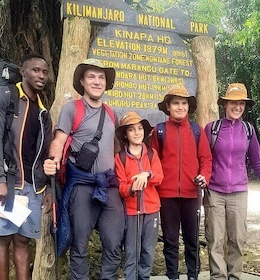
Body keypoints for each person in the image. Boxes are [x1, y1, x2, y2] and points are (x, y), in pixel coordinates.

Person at [43, 58, 125, 280]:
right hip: (82, 185)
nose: (97, 81)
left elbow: (116, 151)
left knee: (114, 241)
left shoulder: (111, 113)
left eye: (101, 77)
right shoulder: (72, 109)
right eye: (91, 76)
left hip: (108, 186)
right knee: (79, 243)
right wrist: (53, 159)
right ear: (82, 81)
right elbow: (59, 140)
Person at [0, 53, 52, 280]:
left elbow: (44, 155)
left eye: (44, 72)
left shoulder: (42, 113)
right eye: (35, 70)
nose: (41, 76)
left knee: (23, 240)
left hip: (31, 185)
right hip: (6, 181)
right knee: (3, 237)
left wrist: (47, 188)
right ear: (23, 71)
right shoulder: (5, 95)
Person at [203, 83, 260, 280]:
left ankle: (234, 276)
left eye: (241, 103)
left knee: (238, 238)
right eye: (233, 102)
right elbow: (204, 159)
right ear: (225, 104)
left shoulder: (248, 130)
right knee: (215, 239)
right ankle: (218, 277)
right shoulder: (212, 129)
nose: (237, 107)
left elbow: (257, 160)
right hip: (214, 191)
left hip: (239, 192)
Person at [150, 84, 212, 280]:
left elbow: (206, 159)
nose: (180, 107)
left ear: (188, 106)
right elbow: (153, 162)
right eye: (175, 103)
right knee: (170, 241)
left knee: (192, 240)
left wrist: (204, 176)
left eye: (184, 103)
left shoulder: (196, 130)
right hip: (166, 195)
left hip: (192, 193)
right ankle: (172, 276)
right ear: (168, 107)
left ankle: (193, 275)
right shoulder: (158, 132)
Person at [114, 111, 164, 280]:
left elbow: (159, 176)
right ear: (125, 134)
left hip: (151, 210)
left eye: (140, 128)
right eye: (132, 130)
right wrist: (131, 189)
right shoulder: (120, 157)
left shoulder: (151, 154)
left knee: (148, 251)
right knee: (131, 251)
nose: (137, 132)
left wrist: (147, 174)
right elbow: (121, 186)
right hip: (130, 211)